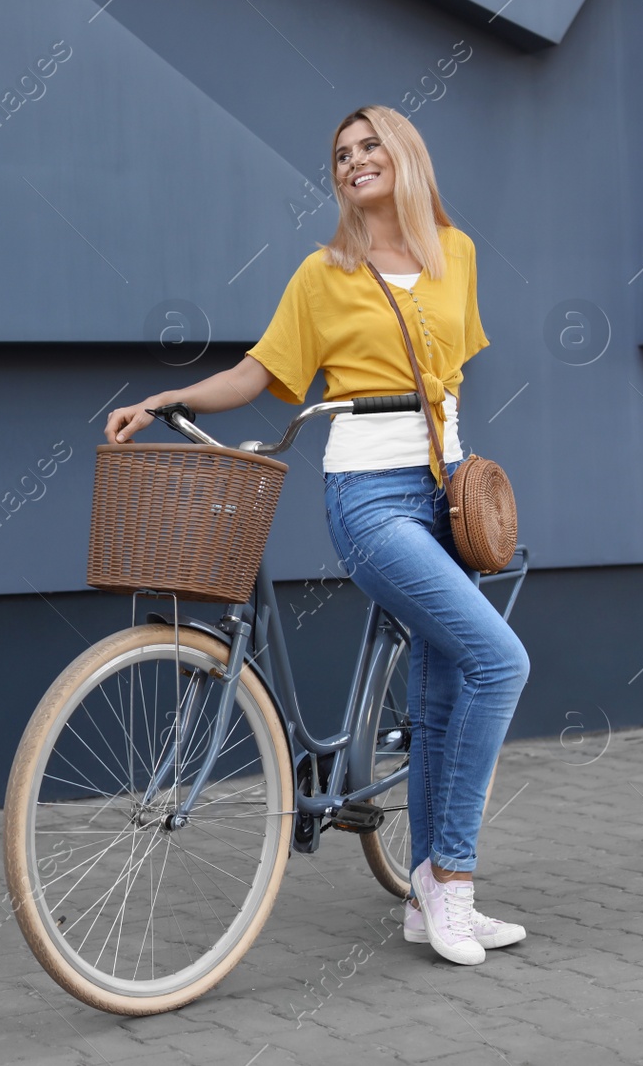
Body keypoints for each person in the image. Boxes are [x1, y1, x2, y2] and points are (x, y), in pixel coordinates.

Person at [104, 104, 530, 966]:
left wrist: (463, 481)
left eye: (371, 145)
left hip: (446, 496)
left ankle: (427, 900)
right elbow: (260, 372)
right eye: (341, 154)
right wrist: (164, 399)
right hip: (370, 501)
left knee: (447, 687)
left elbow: (449, 378)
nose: (355, 160)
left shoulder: (460, 255)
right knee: (500, 659)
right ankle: (455, 880)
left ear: (406, 154)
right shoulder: (322, 272)